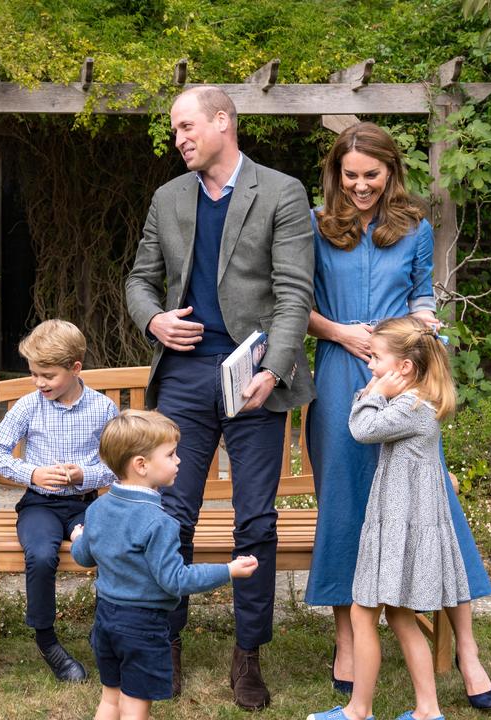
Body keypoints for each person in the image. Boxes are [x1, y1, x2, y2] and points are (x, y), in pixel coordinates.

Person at [125, 85, 314, 710]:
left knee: (255, 520)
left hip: (254, 379)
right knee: (171, 517)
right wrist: (153, 320)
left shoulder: (282, 192)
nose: (177, 139)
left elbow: (293, 295)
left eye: (185, 127)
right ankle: (167, 642)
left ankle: (248, 654)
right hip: (183, 377)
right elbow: (138, 279)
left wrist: (277, 369)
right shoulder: (167, 198)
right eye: (175, 130)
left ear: (222, 122)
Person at [303, 122, 491, 710]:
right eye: (351, 175)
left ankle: (465, 648)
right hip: (341, 372)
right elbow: (297, 304)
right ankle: (347, 637)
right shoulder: (315, 226)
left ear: (391, 172)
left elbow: (421, 294)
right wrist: (341, 333)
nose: (361, 186)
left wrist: (422, 322)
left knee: (431, 501)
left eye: (372, 175)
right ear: (337, 173)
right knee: (345, 500)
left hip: (402, 374)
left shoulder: (413, 227)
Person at [308, 317, 471, 720]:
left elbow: (361, 428)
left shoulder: (410, 406)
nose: (370, 365)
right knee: (400, 616)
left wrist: (373, 390)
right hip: (400, 523)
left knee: (364, 613)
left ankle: (357, 712)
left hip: (400, 527)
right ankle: (428, 711)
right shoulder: (417, 402)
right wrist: (380, 386)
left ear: (405, 368)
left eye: (377, 358)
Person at [70, 409, 259, 720]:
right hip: (142, 626)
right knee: (134, 707)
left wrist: (80, 538)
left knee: (110, 699)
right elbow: (176, 581)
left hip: (105, 618)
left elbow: (84, 557)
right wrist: (229, 570)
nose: (179, 461)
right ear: (141, 465)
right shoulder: (160, 523)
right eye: (170, 454)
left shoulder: (98, 508)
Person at [0, 319, 119, 682]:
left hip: (87, 505)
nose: (39, 383)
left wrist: (83, 475)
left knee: (107, 549)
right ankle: (47, 640)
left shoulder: (103, 410)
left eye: (48, 375)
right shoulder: (29, 406)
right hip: (39, 505)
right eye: (34, 374)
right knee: (40, 555)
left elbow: (118, 465)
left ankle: (103, 634)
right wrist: (31, 473)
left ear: (75, 368)